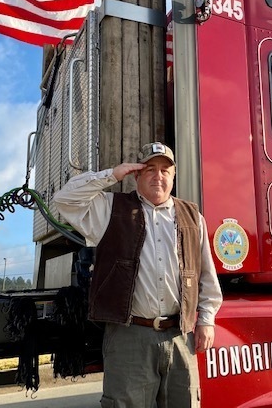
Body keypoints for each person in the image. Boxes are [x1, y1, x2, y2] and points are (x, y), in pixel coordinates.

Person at [53, 141, 223, 408]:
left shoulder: (193, 217)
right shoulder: (111, 209)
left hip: (180, 335)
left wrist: (207, 319)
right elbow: (64, 200)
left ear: (173, 175)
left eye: (165, 170)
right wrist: (113, 174)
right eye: (150, 169)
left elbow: (206, 275)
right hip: (129, 337)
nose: (158, 176)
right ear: (136, 175)